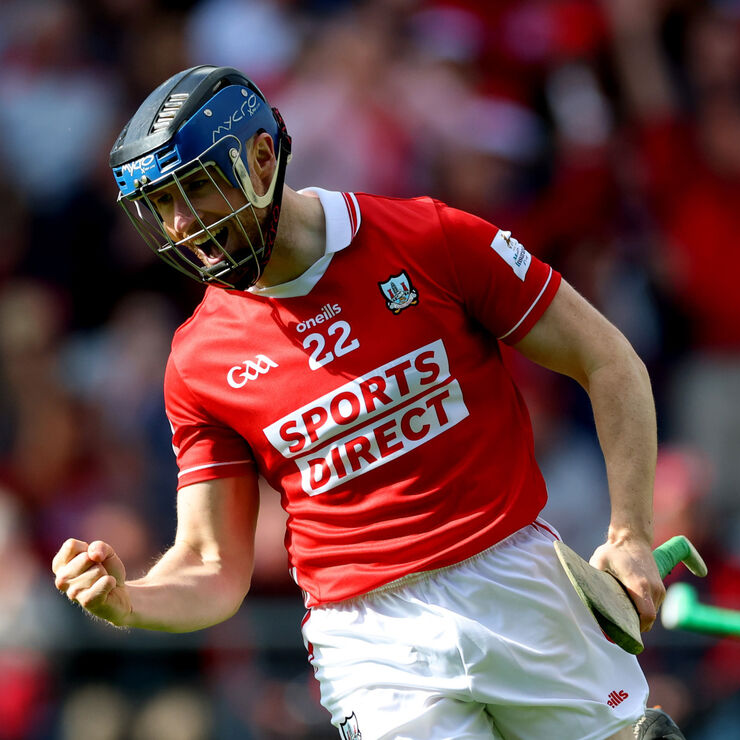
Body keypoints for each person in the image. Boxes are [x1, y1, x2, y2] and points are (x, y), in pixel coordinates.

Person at [50, 65, 685, 740]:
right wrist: (130, 601)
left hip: (517, 578)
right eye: (163, 204)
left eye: (196, 187)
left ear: (263, 158)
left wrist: (630, 535)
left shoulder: (428, 238)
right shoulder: (199, 360)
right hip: (371, 642)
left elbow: (608, 359)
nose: (182, 225)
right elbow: (211, 565)